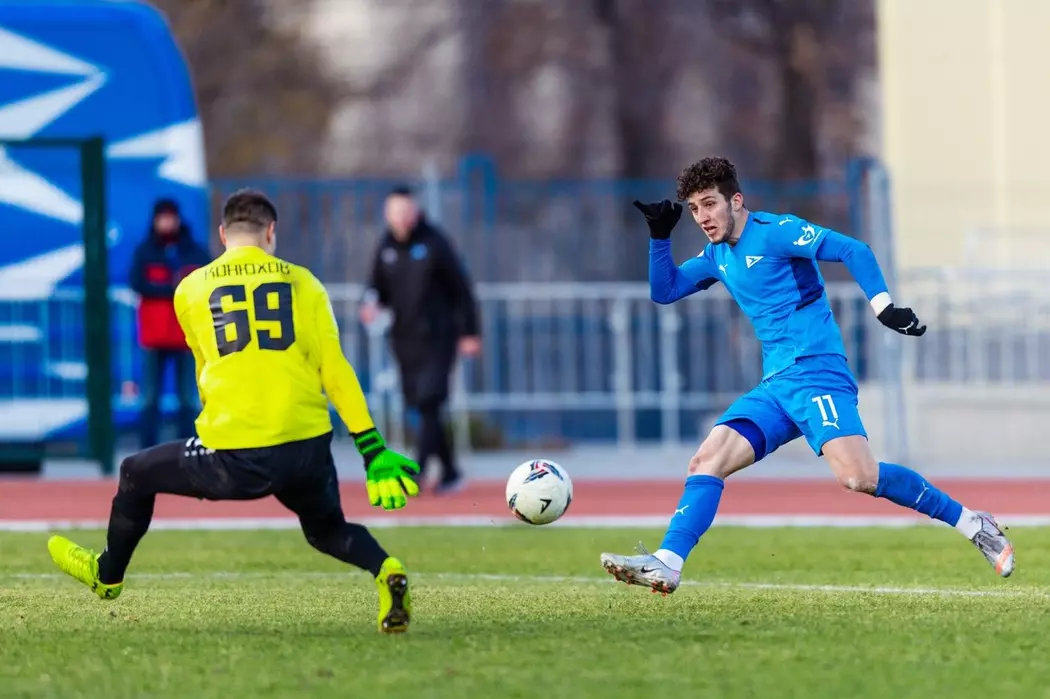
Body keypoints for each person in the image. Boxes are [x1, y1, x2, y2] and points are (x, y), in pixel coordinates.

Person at [600, 156, 1015, 594]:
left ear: (735, 201)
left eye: (709, 204)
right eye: (694, 208)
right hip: (777, 385)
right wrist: (659, 237)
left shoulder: (776, 232)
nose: (702, 217)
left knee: (859, 477)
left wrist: (884, 307)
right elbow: (665, 291)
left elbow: (854, 250)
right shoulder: (716, 256)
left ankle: (973, 523)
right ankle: (668, 562)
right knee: (707, 460)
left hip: (818, 371)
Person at [48, 189, 422, 633]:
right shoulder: (305, 283)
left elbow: (206, 369)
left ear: (223, 234)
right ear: (271, 232)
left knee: (135, 472)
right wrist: (371, 448)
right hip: (306, 445)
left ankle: (108, 575)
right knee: (327, 531)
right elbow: (335, 370)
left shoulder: (191, 289)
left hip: (237, 453)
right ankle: (386, 568)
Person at [359, 185, 481, 495]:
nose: (401, 218)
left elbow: (461, 289)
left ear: (415, 212)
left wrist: (470, 332)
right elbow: (375, 287)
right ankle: (450, 472)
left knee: (430, 400)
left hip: (438, 337)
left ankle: (418, 469)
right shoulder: (385, 247)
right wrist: (371, 305)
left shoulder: (435, 242)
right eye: (395, 212)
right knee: (422, 406)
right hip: (404, 339)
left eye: (405, 211)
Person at [129, 198, 212, 447]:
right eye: (163, 218)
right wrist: (172, 289)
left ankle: (190, 447)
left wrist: (166, 288)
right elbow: (137, 282)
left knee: (188, 397)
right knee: (149, 397)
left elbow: (207, 282)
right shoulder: (145, 251)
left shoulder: (194, 251)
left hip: (186, 336)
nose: (167, 223)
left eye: (170, 217)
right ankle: (148, 449)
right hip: (154, 336)